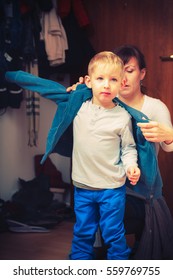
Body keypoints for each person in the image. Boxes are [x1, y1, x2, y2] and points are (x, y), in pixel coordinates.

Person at [67, 45, 173, 260]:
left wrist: (169, 134)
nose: (121, 78)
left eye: (130, 70)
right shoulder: (96, 101)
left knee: (113, 226)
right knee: (86, 221)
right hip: (96, 183)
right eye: (118, 72)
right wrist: (76, 93)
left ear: (142, 74)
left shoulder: (154, 107)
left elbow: (164, 146)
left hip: (138, 190)